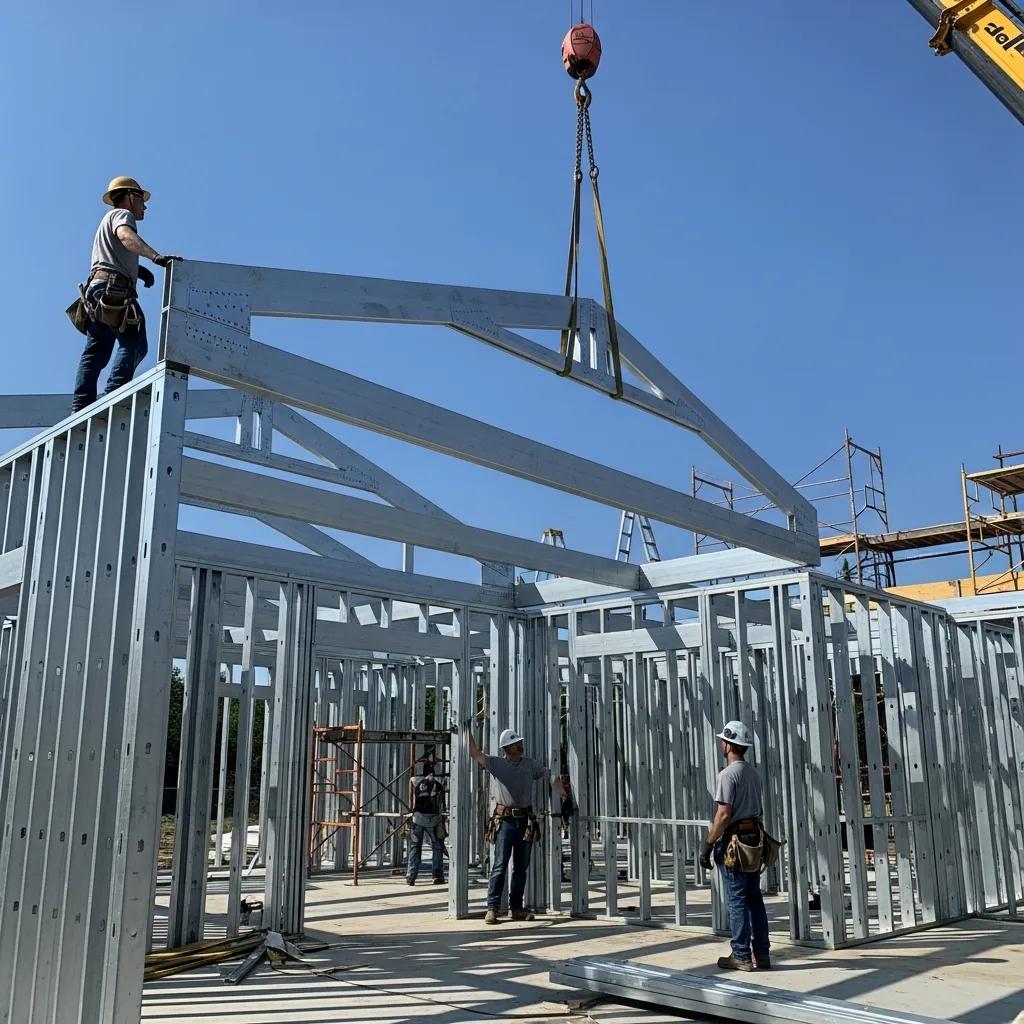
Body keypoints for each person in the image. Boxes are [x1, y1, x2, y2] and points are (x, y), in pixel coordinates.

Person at [69, 176, 182, 413]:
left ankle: (81, 405)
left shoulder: (105, 222)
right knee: (135, 342)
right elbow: (126, 237)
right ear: (130, 196)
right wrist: (156, 257)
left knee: (96, 351)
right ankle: (114, 393)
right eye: (142, 199)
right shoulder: (122, 215)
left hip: (95, 291)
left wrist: (139, 271)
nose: (145, 206)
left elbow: (112, 256)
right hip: (113, 290)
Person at [468, 728, 566, 925]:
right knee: (500, 866)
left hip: (525, 822)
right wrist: (466, 729)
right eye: (515, 744)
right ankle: (492, 908)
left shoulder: (530, 764)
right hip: (505, 822)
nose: (520, 746)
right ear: (506, 748)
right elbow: (475, 753)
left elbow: (550, 775)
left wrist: (563, 795)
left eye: (520, 743)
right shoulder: (497, 764)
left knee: (521, 868)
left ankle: (516, 908)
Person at [699, 720, 771, 972]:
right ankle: (762, 953)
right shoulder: (753, 773)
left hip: (735, 844)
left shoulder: (728, 775)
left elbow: (723, 814)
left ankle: (741, 954)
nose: (721, 744)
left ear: (729, 745)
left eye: (723, 741)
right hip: (753, 841)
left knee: (737, 900)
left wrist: (708, 844)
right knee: (754, 898)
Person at [406, 754, 446, 886]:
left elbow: (412, 774)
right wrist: (437, 763)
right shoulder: (439, 781)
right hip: (434, 819)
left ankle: (411, 876)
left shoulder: (416, 780)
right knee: (437, 847)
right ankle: (437, 876)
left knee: (415, 846)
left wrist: (419, 761)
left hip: (418, 818)